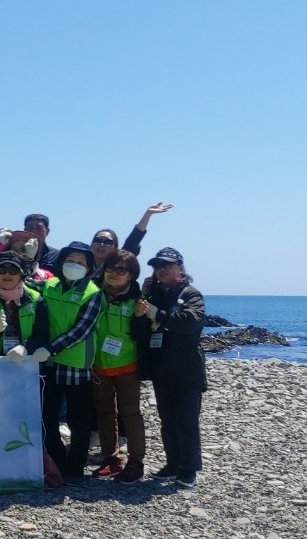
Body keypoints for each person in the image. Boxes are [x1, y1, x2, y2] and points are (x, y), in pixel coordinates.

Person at [26, 241, 104, 483]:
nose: (75, 265)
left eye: (81, 262)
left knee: (78, 420)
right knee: (48, 417)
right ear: (61, 262)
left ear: (89, 267)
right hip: (48, 363)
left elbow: (80, 330)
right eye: (70, 260)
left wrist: (50, 348)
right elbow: (22, 283)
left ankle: (76, 466)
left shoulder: (93, 293)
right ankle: (58, 461)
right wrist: (29, 259)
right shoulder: (50, 285)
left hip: (76, 364)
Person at [139, 247, 206, 488]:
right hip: (161, 366)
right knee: (167, 418)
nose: (161, 270)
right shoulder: (154, 293)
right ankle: (173, 463)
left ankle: (190, 469)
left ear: (180, 268)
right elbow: (140, 324)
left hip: (187, 367)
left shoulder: (190, 293)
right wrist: (144, 296)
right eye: (157, 266)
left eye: (167, 265)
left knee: (186, 419)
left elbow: (190, 322)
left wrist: (157, 315)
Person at [91, 249, 152, 483]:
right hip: (98, 365)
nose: (114, 273)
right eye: (110, 268)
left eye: (121, 270)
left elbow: (143, 336)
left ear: (131, 275)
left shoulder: (138, 299)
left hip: (128, 365)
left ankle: (136, 462)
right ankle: (111, 459)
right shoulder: (93, 293)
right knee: (104, 413)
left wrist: (139, 318)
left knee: (131, 413)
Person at [0, 251, 42, 358]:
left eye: (13, 270)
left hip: (25, 361)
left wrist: (25, 348)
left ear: (20, 275)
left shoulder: (36, 299)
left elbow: (42, 334)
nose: (7, 274)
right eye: (2, 270)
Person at [88, 202, 173, 278]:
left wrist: (148, 214)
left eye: (107, 242)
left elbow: (134, 239)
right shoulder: (83, 264)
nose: (101, 244)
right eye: (97, 240)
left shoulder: (121, 261)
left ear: (115, 248)